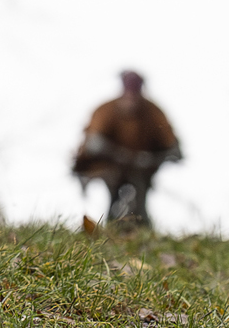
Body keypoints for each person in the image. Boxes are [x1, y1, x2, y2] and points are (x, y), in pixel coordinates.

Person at [73, 70, 182, 229]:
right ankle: (111, 223)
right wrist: (120, 156)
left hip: (141, 169)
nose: (131, 99)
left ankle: (141, 223)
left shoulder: (153, 113)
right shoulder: (105, 110)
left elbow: (171, 145)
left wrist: (152, 158)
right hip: (108, 166)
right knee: (115, 185)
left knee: (140, 189)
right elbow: (92, 142)